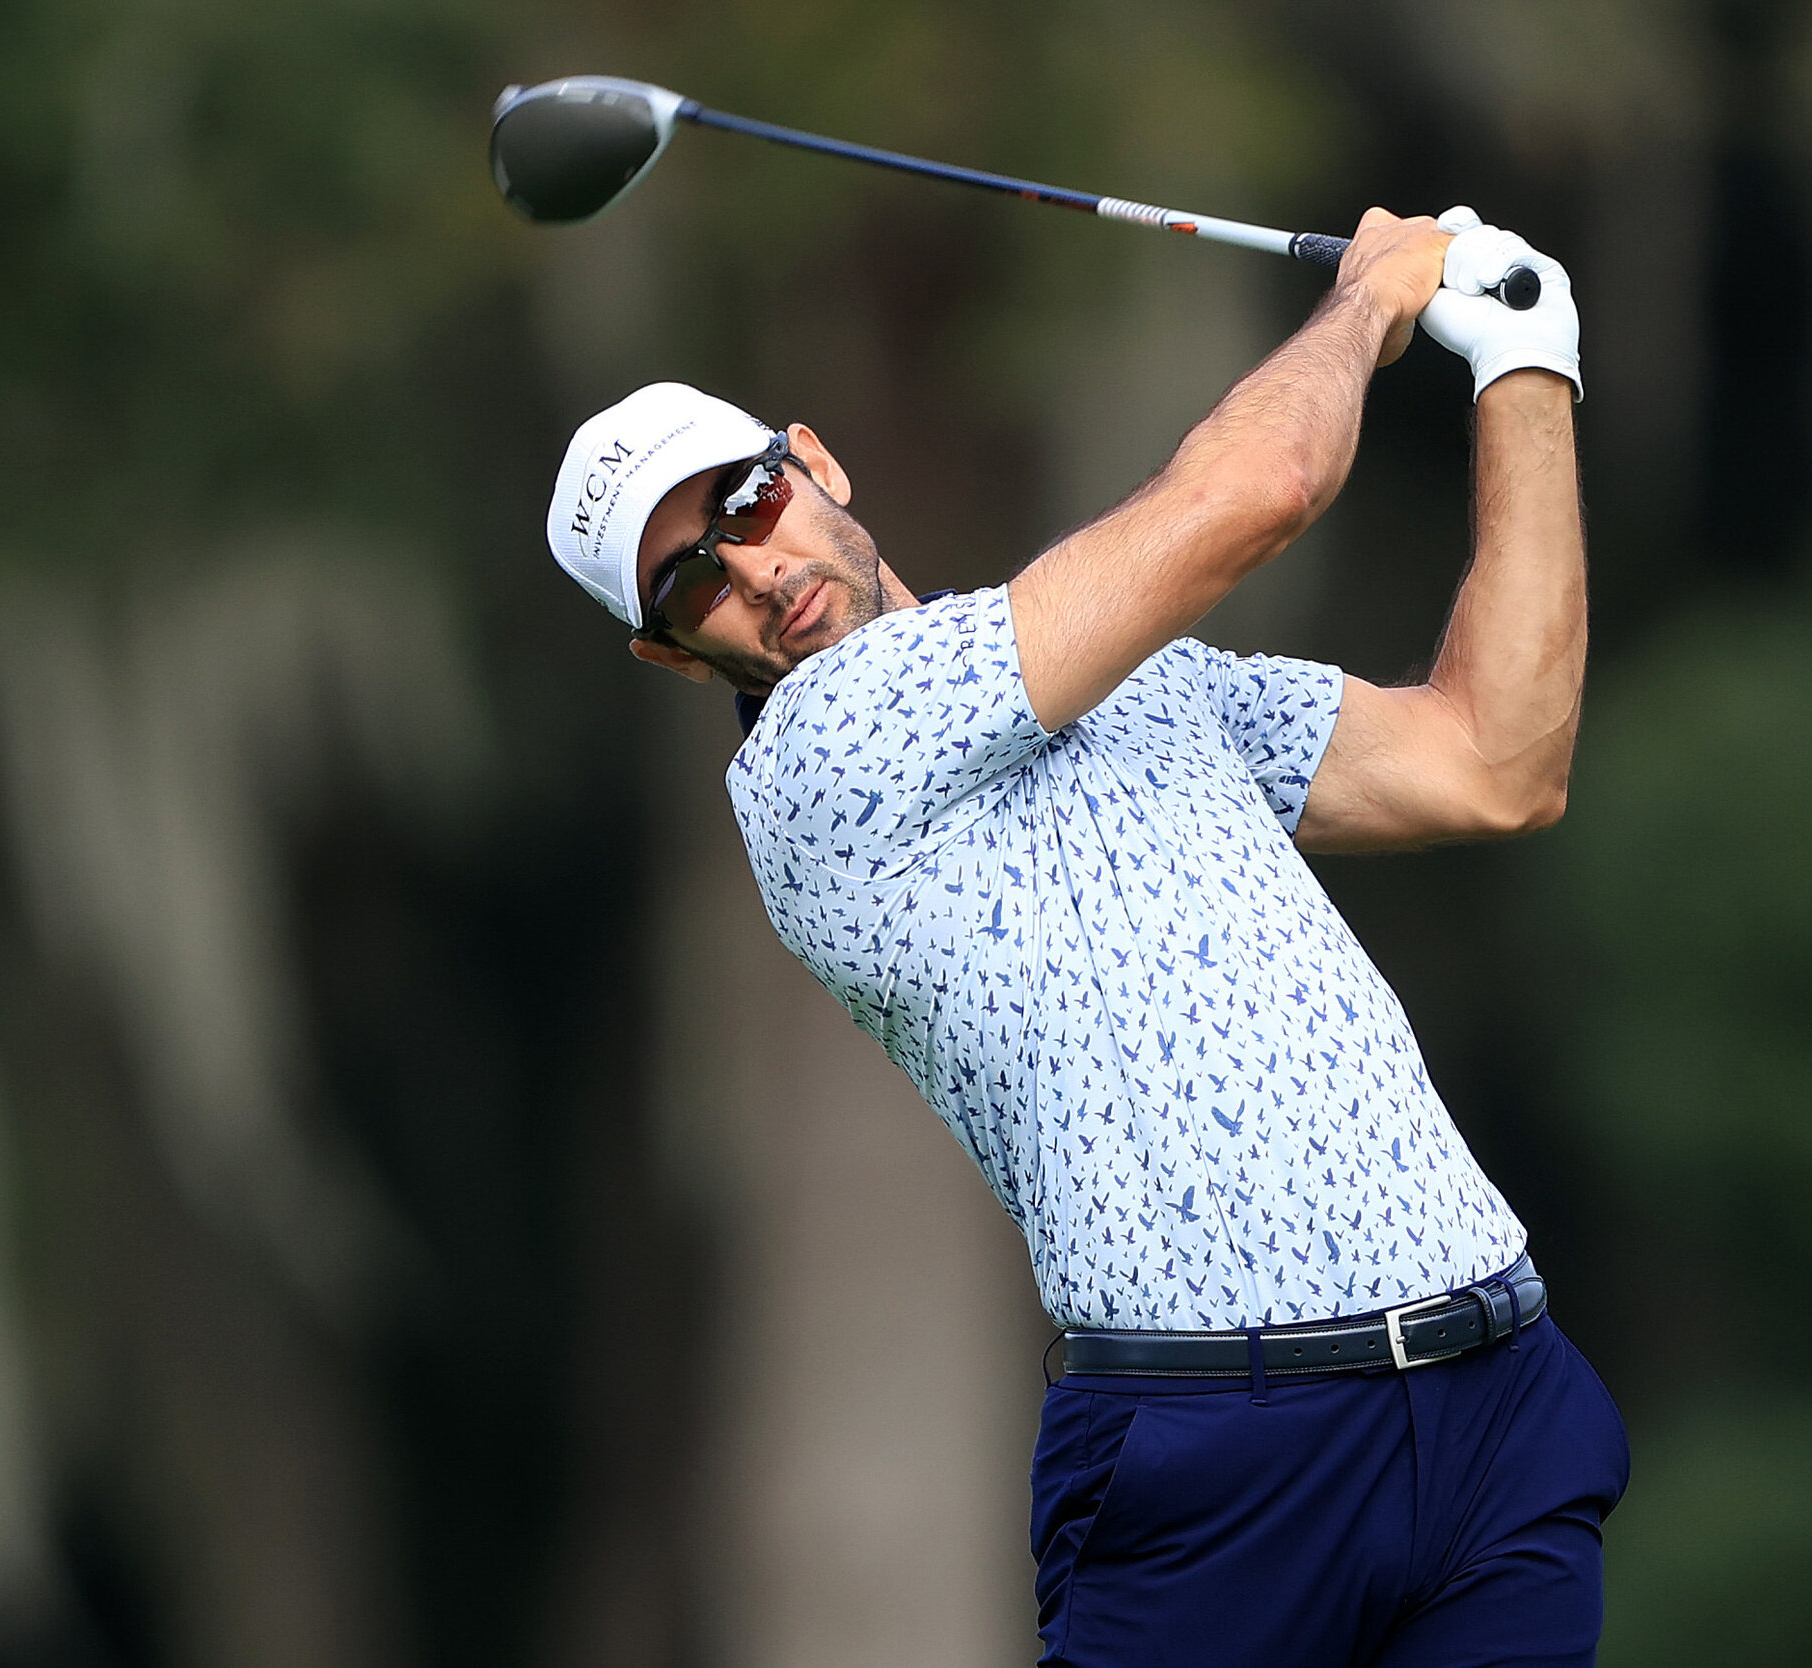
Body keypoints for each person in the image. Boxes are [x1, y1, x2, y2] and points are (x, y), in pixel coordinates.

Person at [543, 205, 1625, 1667]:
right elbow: (1267, 483)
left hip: (1497, 1397)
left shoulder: (1125, 676)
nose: (754, 573)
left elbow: (1491, 762)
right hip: (1222, 1458)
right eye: (688, 585)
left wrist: (1524, 372)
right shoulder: (821, 762)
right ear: (670, 654)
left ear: (813, 465)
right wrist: (1373, 298)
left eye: (743, 504)